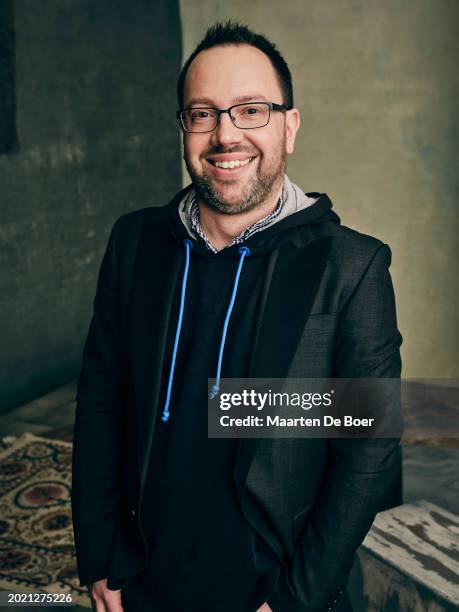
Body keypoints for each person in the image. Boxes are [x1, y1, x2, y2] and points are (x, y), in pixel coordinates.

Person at [71, 21, 403, 612]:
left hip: (273, 591)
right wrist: (100, 556)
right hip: (141, 580)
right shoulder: (135, 244)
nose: (225, 134)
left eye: (251, 110)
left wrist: (293, 600)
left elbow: (368, 454)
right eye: (202, 113)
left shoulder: (351, 267)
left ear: (289, 127)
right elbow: (101, 401)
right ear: (184, 129)